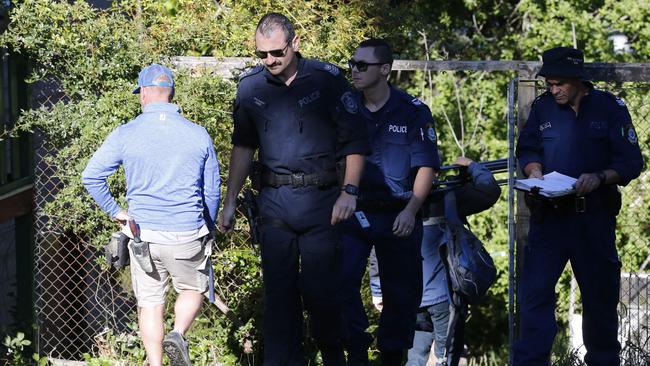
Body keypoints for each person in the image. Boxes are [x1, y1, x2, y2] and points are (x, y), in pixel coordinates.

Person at [216, 13, 369, 366]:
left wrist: (349, 192)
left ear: (295, 44)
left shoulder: (328, 81)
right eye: (262, 54)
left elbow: (355, 143)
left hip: (322, 203)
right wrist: (229, 203)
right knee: (279, 296)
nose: (269, 60)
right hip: (275, 205)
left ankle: (333, 356)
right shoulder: (250, 87)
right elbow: (242, 147)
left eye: (276, 53)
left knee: (320, 295)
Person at [82, 64, 220, 366]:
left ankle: (155, 363)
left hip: (144, 236)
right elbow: (211, 191)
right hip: (186, 233)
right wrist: (208, 226)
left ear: (144, 93)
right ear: (170, 94)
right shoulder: (198, 135)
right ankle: (178, 333)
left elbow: (91, 177)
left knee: (150, 304)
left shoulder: (126, 133)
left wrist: (117, 213)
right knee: (193, 288)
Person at [515, 46, 644, 366]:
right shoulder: (543, 108)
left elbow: (631, 163)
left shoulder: (610, 108)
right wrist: (534, 171)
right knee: (534, 300)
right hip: (549, 219)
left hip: (593, 219)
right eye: (549, 84)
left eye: (560, 83)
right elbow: (527, 149)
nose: (553, 89)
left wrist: (600, 177)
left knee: (600, 303)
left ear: (577, 80)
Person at [340, 38, 439, 366]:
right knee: (340, 282)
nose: (354, 71)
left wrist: (412, 210)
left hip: (398, 213)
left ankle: (392, 355)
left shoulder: (412, 111)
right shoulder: (345, 107)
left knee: (402, 294)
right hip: (355, 210)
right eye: (352, 63)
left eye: (362, 65)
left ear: (385, 70)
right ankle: (356, 349)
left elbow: (427, 165)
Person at [369, 156, 501, 366]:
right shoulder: (448, 198)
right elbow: (489, 190)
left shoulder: (392, 204)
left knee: (415, 357)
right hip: (444, 297)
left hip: (411, 296)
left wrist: (377, 290)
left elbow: (378, 248)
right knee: (446, 356)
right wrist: (471, 166)